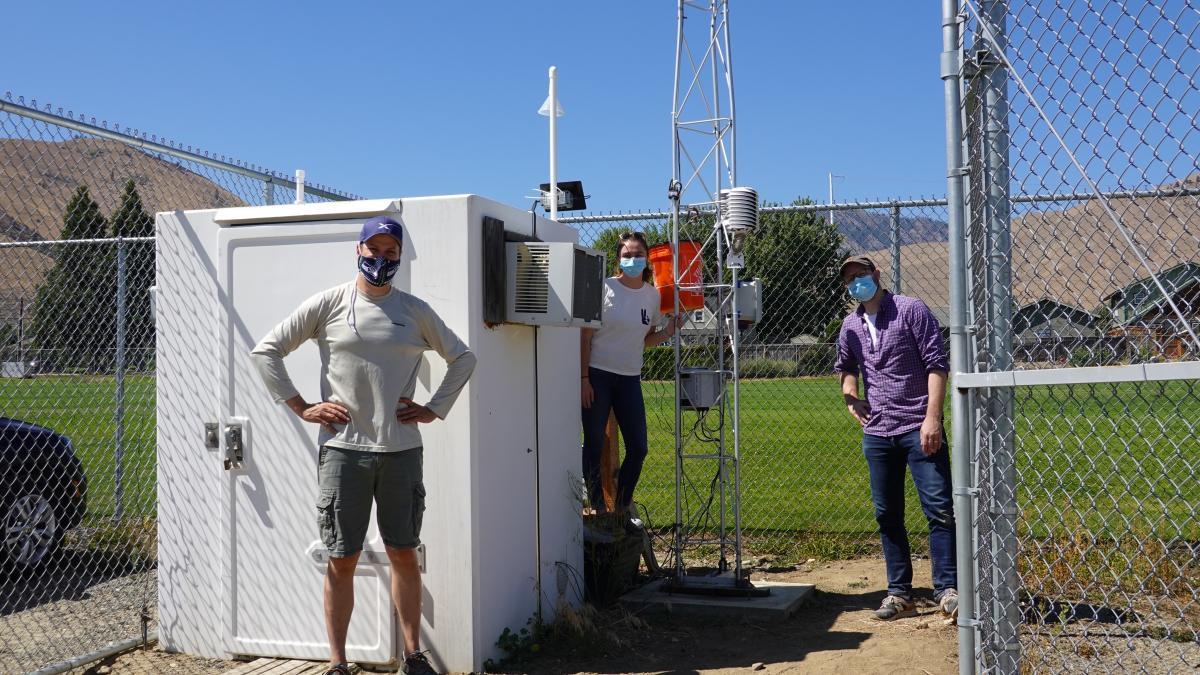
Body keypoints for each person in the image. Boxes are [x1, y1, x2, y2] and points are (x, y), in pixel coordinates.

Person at [250, 216, 476, 675]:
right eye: (373, 249)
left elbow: (463, 357)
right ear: (358, 250)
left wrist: (434, 408)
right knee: (342, 558)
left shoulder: (414, 311)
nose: (381, 258)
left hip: (401, 453)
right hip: (343, 453)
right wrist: (301, 406)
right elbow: (266, 350)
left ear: (399, 256)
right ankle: (337, 663)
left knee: (403, 554)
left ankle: (413, 656)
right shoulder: (330, 303)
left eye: (390, 251)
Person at [833, 255, 958, 621]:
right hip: (877, 432)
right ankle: (899, 593)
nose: (857, 282)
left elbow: (937, 364)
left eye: (861, 274)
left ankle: (947, 589)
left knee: (939, 509)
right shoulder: (850, 325)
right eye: (850, 279)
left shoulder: (910, 310)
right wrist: (851, 398)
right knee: (887, 514)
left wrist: (932, 418)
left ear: (876, 274)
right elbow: (845, 367)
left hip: (917, 427)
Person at [580, 231, 682, 514]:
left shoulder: (652, 296)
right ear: (618, 260)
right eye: (627, 255)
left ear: (647, 258)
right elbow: (585, 336)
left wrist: (668, 332)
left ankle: (622, 504)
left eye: (638, 255)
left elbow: (645, 339)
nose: (632, 259)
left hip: (629, 380)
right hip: (597, 376)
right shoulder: (604, 288)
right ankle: (599, 507)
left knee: (638, 448)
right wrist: (583, 379)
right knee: (594, 443)